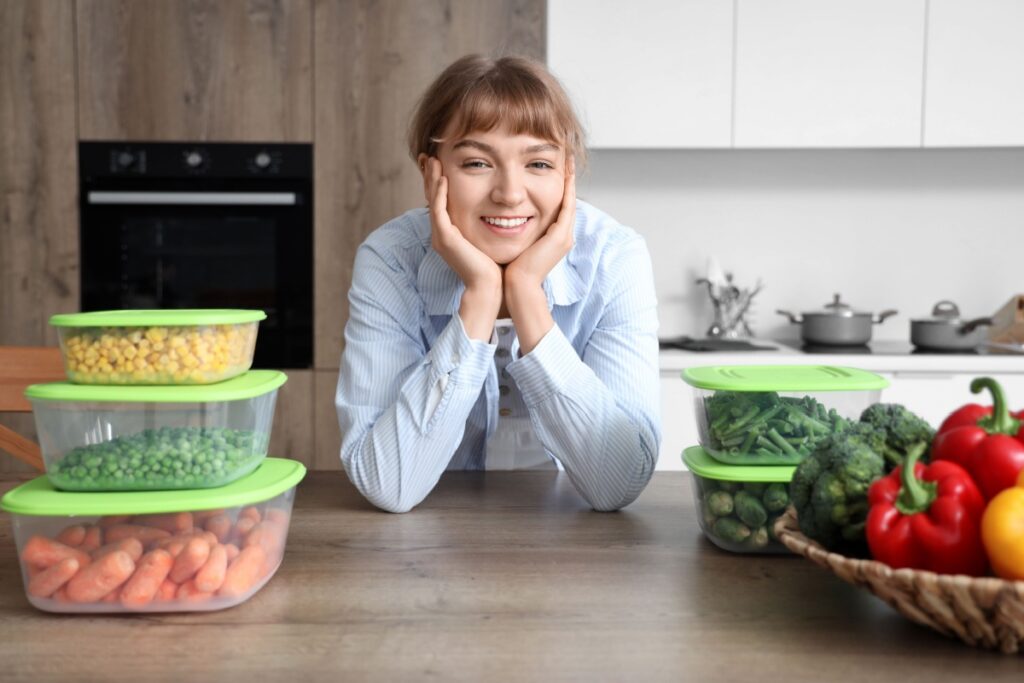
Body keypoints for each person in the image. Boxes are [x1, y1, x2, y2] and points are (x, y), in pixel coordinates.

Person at [335, 54, 660, 513]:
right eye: (476, 163)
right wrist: (481, 296)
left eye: (539, 164)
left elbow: (617, 486)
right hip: (432, 539)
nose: (509, 193)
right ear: (432, 173)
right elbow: (389, 485)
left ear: (568, 173)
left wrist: (526, 293)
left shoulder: (614, 258)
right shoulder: (390, 260)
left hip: (574, 545)